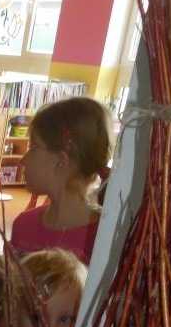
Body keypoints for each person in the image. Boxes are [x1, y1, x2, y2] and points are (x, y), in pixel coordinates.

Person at [10, 97, 112, 265]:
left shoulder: (103, 238)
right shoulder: (23, 226)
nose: (23, 160)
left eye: (33, 147)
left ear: (62, 160)